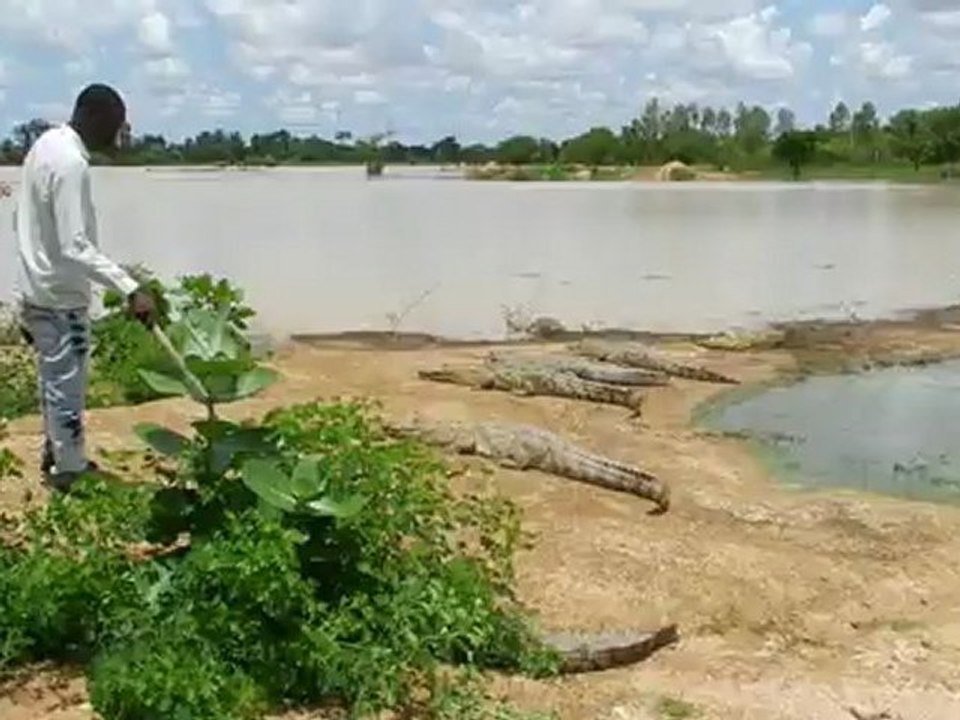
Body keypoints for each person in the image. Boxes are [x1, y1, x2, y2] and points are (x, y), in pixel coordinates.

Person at [12, 83, 155, 491]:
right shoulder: (71, 163)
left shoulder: (45, 145)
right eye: (113, 124)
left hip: (37, 287)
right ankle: (69, 472)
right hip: (59, 296)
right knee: (67, 385)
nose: (118, 134)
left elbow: (29, 221)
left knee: (53, 377)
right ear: (92, 116)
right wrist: (131, 288)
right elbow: (75, 245)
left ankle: (57, 451)